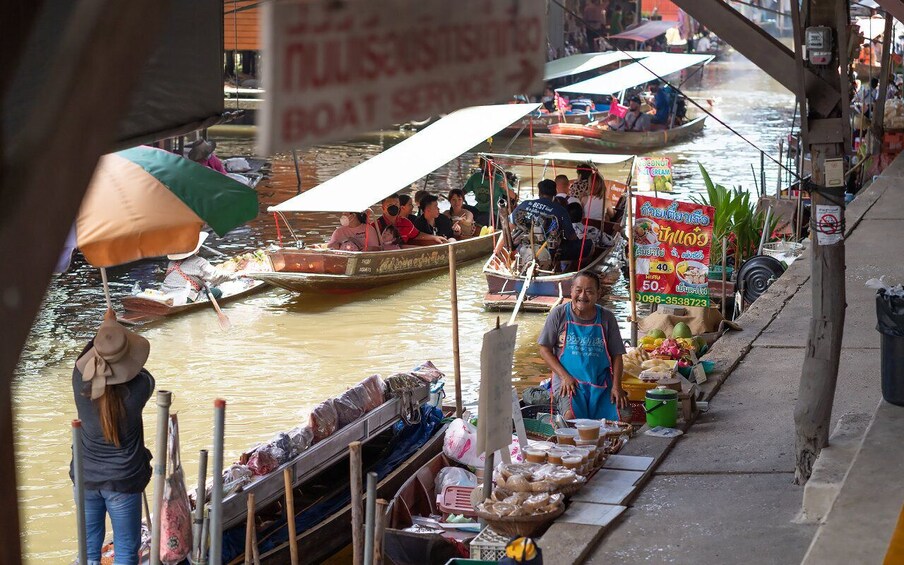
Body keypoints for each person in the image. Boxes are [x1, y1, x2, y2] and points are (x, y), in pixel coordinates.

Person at [71, 309, 155, 565]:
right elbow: (141, 369)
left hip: (86, 479)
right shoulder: (138, 390)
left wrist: (107, 326)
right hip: (123, 481)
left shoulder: (78, 382)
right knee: (127, 552)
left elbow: (86, 355)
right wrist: (115, 328)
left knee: (88, 553)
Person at [537, 272, 627, 419]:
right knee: (571, 418)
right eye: (578, 290)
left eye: (590, 292)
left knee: (623, 417)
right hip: (570, 384)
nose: (583, 296)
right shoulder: (558, 314)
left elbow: (617, 355)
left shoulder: (607, 317)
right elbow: (544, 350)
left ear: (599, 293)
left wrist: (617, 386)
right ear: (571, 290)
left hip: (601, 383)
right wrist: (564, 377)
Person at [511, 179, 592, 262]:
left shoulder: (524, 204)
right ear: (555, 193)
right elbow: (570, 236)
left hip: (524, 247)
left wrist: (502, 250)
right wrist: (578, 243)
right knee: (588, 245)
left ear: (539, 193)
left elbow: (510, 225)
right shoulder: (560, 210)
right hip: (551, 251)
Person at [160, 232, 230, 304]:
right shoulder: (199, 261)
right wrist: (235, 274)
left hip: (164, 294)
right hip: (183, 297)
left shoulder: (171, 263)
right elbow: (217, 276)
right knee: (217, 292)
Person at [373, 194, 446, 247]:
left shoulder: (405, 222)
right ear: (383, 208)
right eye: (390, 205)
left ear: (399, 206)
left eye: (396, 204)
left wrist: (434, 237)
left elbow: (418, 234)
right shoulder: (375, 226)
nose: (394, 206)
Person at [462, 157, 517, 227]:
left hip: (493, 213)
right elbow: (462, 192)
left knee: (481, 219)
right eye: (486, 165)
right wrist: (456, 201)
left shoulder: (499, 179)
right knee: (461, 208)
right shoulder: (475, 177)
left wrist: (506, 187)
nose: (489, 167)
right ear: (481, 166)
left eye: (491, 165)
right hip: (478, 209)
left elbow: (514, 196)